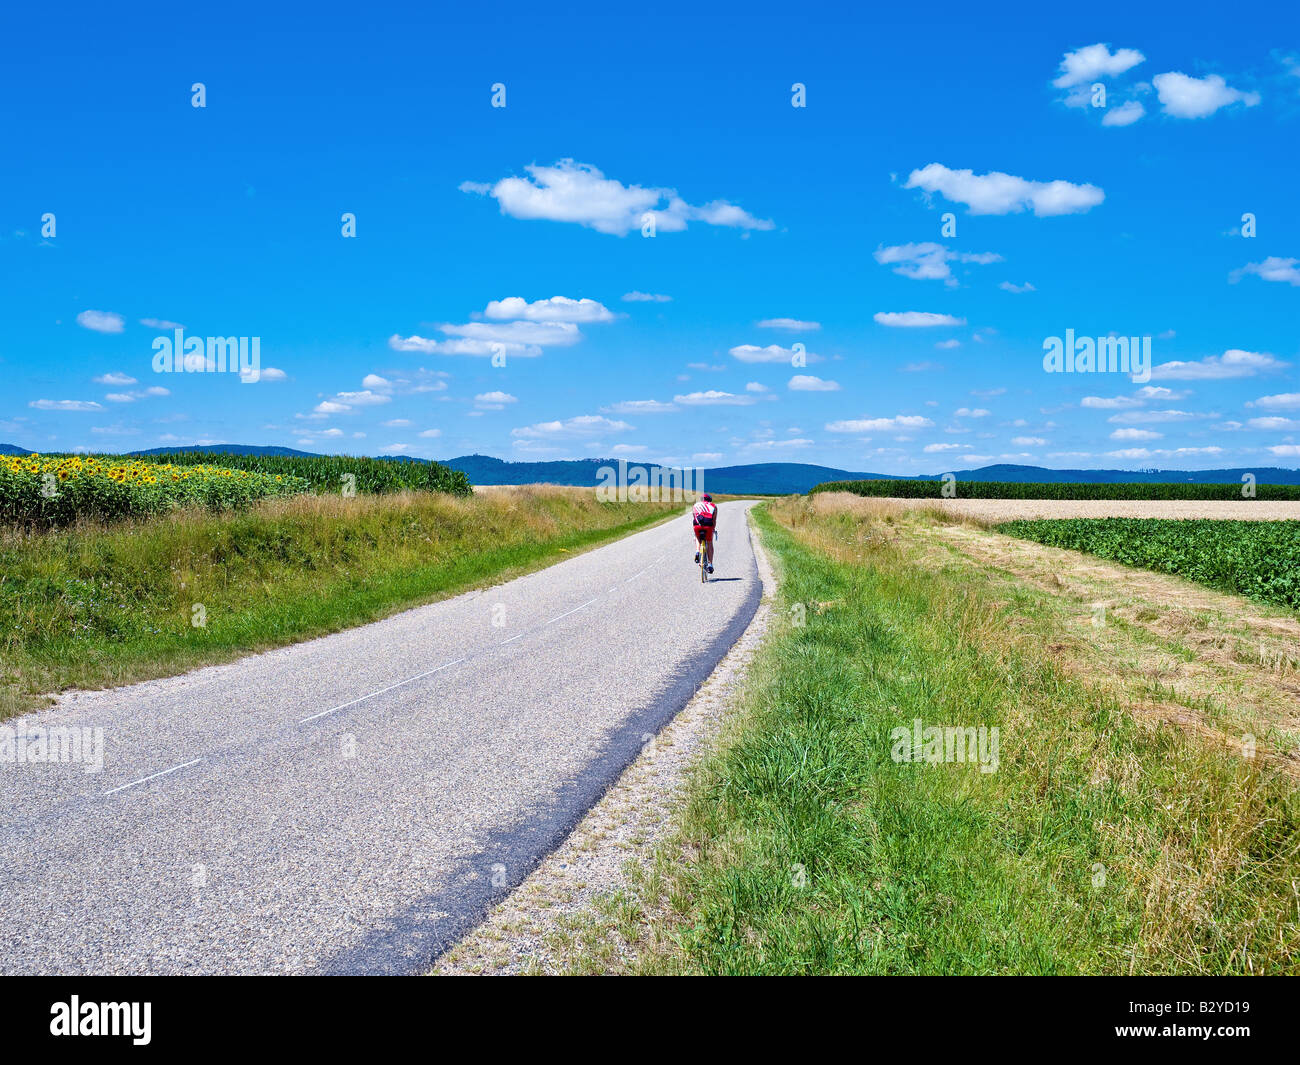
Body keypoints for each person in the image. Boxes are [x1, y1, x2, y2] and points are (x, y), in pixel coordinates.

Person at [692, 492, 718, 574]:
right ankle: (710, 564)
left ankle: (697, 551)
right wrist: (713, 529)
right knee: (709, 542)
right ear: (709, 500)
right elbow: (714, 520)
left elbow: (694, 516)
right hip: (708, 525)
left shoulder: (695, 505)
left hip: (697, 524)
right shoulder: (713, 506)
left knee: (697, 537)